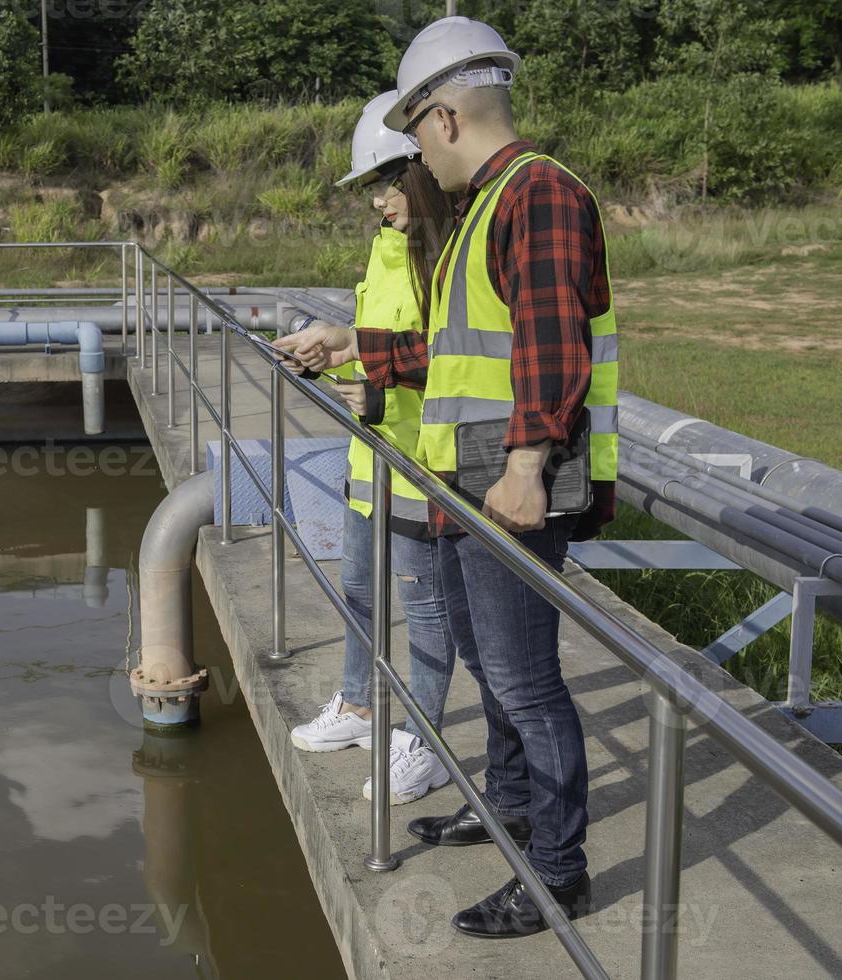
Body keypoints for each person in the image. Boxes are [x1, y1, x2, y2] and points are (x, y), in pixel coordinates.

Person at [275, 16, 620, 940]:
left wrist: (523, 468)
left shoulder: (535, 195)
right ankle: (508, 808)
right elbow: (463, 348)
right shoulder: (489, 207)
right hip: (461, 481)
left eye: (415, 130)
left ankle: (555, 874)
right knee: (486, 660)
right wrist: (361, 346)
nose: (414, 156)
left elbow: (552, 343)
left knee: (525, 679)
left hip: (503, 484)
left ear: (447, 117)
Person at [284, 91, 463, 806]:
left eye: (385, 187)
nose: (377, 204)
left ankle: (423, 742)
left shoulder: (449, 256)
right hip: (371, 452)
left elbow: (455, 356)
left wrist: (381, 387)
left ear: (420, 171)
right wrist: (327, 358)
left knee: (423, 607)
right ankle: (357, 706)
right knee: (357, 587)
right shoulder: (387, 250)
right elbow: (380, 345)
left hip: (424, 457)